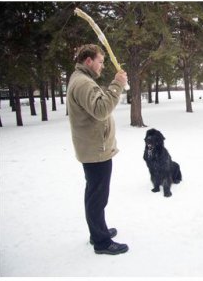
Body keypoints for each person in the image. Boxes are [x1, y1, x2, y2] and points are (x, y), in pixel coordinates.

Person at [66, 44, 129, 255]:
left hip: (94, 148)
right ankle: (101, 242)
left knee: (95, 194)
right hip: (96, 150)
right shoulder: (83, 82)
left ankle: (98, 231)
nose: (102, 66)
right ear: (88, 61)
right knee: (97, 197)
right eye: (100, 62)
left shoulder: (82, 79)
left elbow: (97, 107)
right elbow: (101, 109)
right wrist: (117, 84)